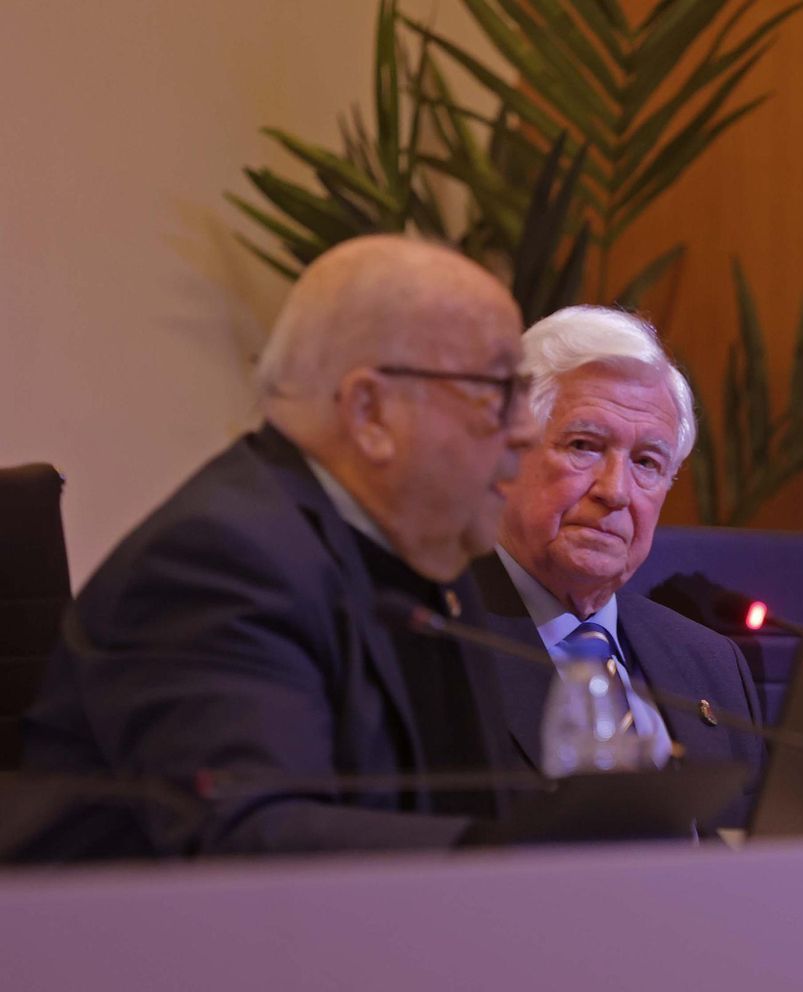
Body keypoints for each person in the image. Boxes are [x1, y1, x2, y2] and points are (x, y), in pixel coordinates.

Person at [21, 236, 539, 858]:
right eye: (497, 389)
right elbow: (255, 842)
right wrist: (518, 855)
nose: (527, 429)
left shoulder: (431, 552)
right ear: (370, 412)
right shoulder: (219, 559)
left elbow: (472, 806)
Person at [472, 306, 764, 829]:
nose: (616, 491)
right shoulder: (431, 633)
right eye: (584, 446)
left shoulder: (711, 663)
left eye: (647, 462)